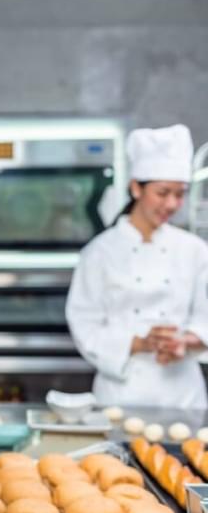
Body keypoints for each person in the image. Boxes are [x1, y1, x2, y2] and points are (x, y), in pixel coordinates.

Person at [66, 124, 208, 408]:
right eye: (163, 192)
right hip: (122, 394)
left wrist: (185, 342)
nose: (172, 203)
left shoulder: (194, 250)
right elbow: (84, 324)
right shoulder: (99, 252)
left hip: (183, 396)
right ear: (136, 188)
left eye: (180, 194)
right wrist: (139, 342)